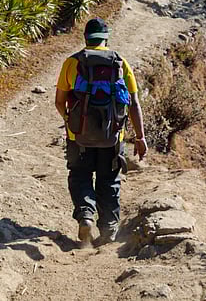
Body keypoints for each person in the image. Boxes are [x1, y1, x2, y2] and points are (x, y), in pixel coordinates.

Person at [55, 18, 148, 248]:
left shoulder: (72, 63)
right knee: (109, 180)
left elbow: (59, 101)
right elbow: (134, 103)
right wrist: (140, 137)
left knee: (80, 175)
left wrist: (70, 121)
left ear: (85, 38)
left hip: (78, 137)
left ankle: (86, 215)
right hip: (112, 137)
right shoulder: (120, 62)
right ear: (106, 38)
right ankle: (108, 230)